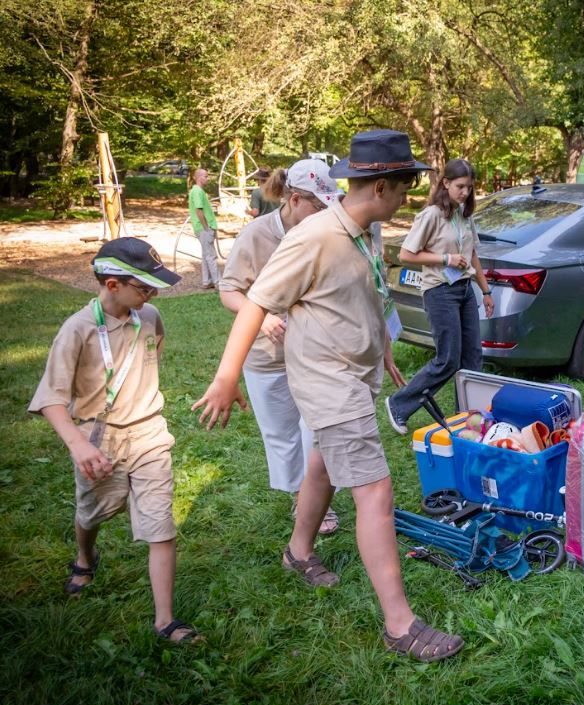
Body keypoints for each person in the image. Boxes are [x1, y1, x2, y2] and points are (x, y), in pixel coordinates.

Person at [193, 129, 463, 663]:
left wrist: (383, 346)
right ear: (382, 185)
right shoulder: (315, 235)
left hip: (356, 374)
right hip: (327, 380)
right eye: (406, 184)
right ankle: (400, 625)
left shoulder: (364, 229)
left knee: (320, 465)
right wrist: (226, 379)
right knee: (375, 493)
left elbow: (365, 294)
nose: (409, 194)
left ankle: (298, 552)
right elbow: (255, 303)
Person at [28, 238, 201, 644]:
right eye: (143, 287)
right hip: (98, 439)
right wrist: (80, 445)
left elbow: (153, 348)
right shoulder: (77, 330)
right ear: (111, 285)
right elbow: (51, 399)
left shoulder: (150, 315)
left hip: (149, 434)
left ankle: (165, 620)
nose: (152, 294)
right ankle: (85, 556)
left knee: (161, 526)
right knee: (91, 514)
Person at [219, 159, 345, 536]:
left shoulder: (326, 234)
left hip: (314, 352)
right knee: (281, 433)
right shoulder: (256, 235)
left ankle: (317, 496)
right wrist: (263, 316)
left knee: (315, 429)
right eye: (318, 206)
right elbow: (229, 290)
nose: (325, 213)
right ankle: (298, 496)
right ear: (293, 199)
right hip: (266, 356)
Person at [383, 158, 494, 434]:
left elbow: (473, 255)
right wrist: (445, 258)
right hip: (439, 292)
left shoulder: (464, 215)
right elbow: (407, 253)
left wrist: (486, 290)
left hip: (465, 291)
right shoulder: (431, 215)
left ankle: (469, 417)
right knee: (448, 359)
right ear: (445, 183)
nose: (465, 193)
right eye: (460, 186)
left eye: (469, 187)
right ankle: (399, 404)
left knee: (473, 358)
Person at [188, 167, 220, 289]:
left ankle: (207, 281)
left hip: (201, 227)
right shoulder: (197, 191)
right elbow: (198, 210)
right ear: (199, 178)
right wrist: (206, 227)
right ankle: (218, 282)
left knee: (206, 255)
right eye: (205, 176)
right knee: (211, 255)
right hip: (204, 228)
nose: (207, 179)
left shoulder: (198, 191)